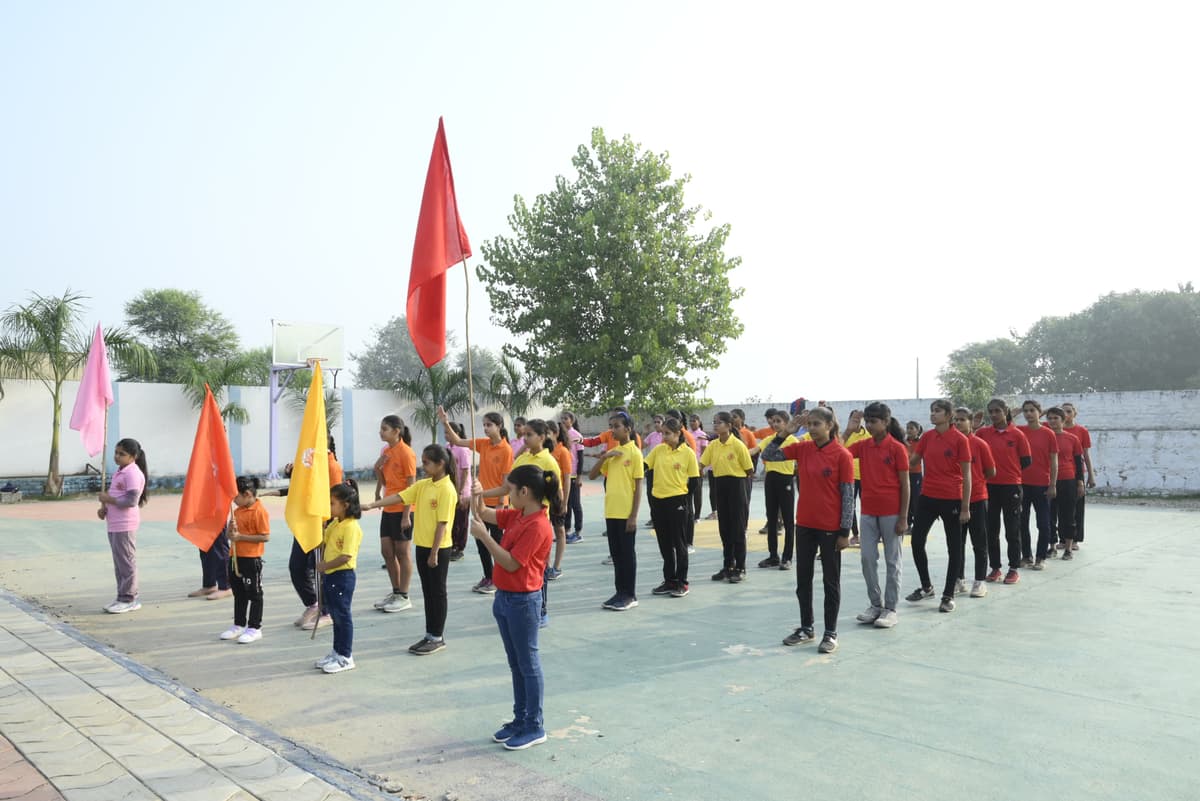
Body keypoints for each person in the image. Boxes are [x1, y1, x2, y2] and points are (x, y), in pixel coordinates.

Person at [469, 465, 556, 751]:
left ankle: (534, 725)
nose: (507, 494)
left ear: (524, 491)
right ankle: (520, 719)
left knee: (528, 664)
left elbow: (510, 562)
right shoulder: (519, 514)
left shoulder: (539, 525)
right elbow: (484, 514)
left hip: (523, 600)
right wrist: (477, 495)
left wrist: (485, 537)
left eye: (510, 489)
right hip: (505, 597)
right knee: (516, 664)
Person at [365, 445, 459, 655]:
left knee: (438, 592)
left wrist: (434, 553)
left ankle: (437, 636)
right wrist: (372, 505)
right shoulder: (424, 485)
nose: (422, 466)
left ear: (440, 464)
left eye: (426, 462)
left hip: (438, 549)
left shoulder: (447, 489)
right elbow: (400, 497)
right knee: (428, 592)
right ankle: (429, 633)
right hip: (422, 546)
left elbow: (443, 524)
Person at [779, 407, 853, 654]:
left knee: (831, 582)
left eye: (816, 424)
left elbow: (848, 496)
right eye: (808, 424)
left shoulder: (841, 455)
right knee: (803, 580)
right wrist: (785, 433)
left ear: (830, 425)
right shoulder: (802, 448)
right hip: (805, 525)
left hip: (831, 528)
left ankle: (830, 633)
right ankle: (806, 627)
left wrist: (845, 532)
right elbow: (769, 456)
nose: (811, 429)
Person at [269, 434, 342, 631]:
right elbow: (301, 488)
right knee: (297, 567)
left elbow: (335, 498)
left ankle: (327, 612)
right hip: (305, 523)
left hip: (322, 525)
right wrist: (292, 474)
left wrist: (328, 526)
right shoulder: (307, 462)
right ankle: (313, 604)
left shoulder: (331, 466)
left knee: (320, 569)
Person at [847, 402, 910, 629]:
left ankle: (890, 608)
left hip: (892, 513)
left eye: (873, 422)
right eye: (867, 422)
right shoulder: (863, 446)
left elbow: (905, 485)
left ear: (885, 422)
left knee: (892, 561)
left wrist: (903, 518)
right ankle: (875, 604)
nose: (869, 426)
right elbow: (837, 452)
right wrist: (849, 429)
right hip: (868, 512)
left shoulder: (897, 448)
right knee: (867, 559)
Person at [906, 400, 971, 614]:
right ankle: (927, 587)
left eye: (938, 411)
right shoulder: (927, 437)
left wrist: (965, 507)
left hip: (952, 498)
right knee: (916, 541)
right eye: (932, 411)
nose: (933, 415)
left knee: (954, 548)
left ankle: (948, 595)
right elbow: (913, 461)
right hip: (927, 497)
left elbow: (967, 476)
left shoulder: (960, 440)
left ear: (949, 415)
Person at [440, 408, 514, 593]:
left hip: (497, 504)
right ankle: (489, 576)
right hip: (480, 503)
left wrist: (500, 504)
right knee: (481, 542)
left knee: (497, 544)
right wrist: (445, 421)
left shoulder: (506, 450)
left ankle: (499, 579)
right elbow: (457, 440)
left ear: (499, 426)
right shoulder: (483, 444)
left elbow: (506, 482)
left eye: (489, 425)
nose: (486, 428)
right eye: (484, 425)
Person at [587, 411, 644, 610]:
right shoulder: (613, 453)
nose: (613, 430)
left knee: (627, 555)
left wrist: (634, 515)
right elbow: (593, 475)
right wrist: (605, 457)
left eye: (617, 426)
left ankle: (630, 594)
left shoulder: (635, 453)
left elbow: (638, 487)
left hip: (626, 513)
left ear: (628, 429)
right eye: (611, 426)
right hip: (611, 512)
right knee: (617, 555)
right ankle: (620, 592)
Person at [973, 399, 1031, 584]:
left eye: (997, 410)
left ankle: (1013, 568)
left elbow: (1026, 461)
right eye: (991, 411)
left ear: (1006, 411)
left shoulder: (1017, 435)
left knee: (1012, 529)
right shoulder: (982, 433)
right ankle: (995, 568)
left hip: (1011, 487)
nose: (994, 414)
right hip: (989, 487)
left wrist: (1009, 472)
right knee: (991, 530)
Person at [644, 417, 699, 597]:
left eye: (667, 433)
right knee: (664, 543)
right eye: (662, 433)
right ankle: (669, 580)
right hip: (658, 502)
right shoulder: (659, 450)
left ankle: (682, 582)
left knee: (679, 543)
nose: (664, 437)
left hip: (677, 502)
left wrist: (682, 498)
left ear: (678, 434)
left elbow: (695, 480)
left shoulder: (688, 453)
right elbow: (644, 465)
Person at [314, 480, 363, 674]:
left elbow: (345, 556)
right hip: (331, 576)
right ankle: (337, 651)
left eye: (332, 503)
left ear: (346, 505)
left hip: (343, 576)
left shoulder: (351, 527)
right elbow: (323, 542)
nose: (329, 506)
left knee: (343, 615)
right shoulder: (335, 523)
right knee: (335, 615)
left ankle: (346, 655)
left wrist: (325, 566)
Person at [700, 412, 753, 583]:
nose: (716, 425)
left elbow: (749, 470)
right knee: (725, 528)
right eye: (714, 422)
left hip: (737, 486)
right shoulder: (713, 445)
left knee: (738, 528)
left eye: (720, 422)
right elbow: (701, 464)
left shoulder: (738, 445)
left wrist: (738, 482)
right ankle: (727, 566)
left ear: (729, 426)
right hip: (720, 485)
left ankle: (740, 567)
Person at [98, 438, 148, 614]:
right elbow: (117, 496)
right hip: (114, 523)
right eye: (116, 453)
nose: (117, 457)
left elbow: (131, 500)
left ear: (133, 456)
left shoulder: (132, 473)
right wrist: (105, 509)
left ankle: (130, 598)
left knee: (126, 562)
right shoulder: (121, 471)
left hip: (125, 524)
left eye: (122, 454)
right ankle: (122, 596)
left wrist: (108, 499)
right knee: (119, 562)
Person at [220, 476, 271, 644]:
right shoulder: (237, 511)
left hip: (251, 559)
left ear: (247, 494)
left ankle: (255, 627)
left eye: (236, 497)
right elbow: (229, 535)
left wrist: (240, 536)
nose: (233, 501)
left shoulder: (259, 511)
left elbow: (265, 536)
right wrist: (230, 532)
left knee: (254, 593)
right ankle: (239, 624)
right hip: (235, 557)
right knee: (239, 592)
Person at [374, 415, 416, 613]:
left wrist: (407, 514)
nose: (381, 432)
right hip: (388, 508)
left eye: (384, 429)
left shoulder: (406, 453)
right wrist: (377, 466)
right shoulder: (387, 451)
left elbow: (411, 486)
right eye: (381, 428)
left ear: (396, 431)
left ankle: (404, 595)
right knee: (387, 551)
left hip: (403, 509)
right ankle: (396, 590)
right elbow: (384, 481)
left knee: (402, 552)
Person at [750, 410, 799, 570]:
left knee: (788, 519)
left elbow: (802, 460)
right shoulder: (769, 440)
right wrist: (738, 451)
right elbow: (754, 451)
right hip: (770, 480)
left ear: (786, 423)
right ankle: (773, 556)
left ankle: (787, 557)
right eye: (773, 421)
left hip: (786, 480)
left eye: (778, 421)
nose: (775, 424)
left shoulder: (793, 441)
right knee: (771, 519)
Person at [953, 408, 995, 594]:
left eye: (962, 420)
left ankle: (979, 581)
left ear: (971, 422)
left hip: (977, 499)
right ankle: (958, 579)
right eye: (956, 420)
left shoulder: (980, 444)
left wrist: (977, 482)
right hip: (954, 498)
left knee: (979, 542)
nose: (959, 423)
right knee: (956, 543)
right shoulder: (950, 443)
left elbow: (991, 471)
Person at [1017, 400, 1058, 567]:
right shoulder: (1019, 432)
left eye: (1032, 410)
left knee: (1043, 523)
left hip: (1042, 484)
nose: (1028, 414)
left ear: (1039, 412)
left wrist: (1053, 484)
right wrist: (1015, 411)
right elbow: (1005, 422)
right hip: (1021, 485)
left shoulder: (1048, 434)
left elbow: (1054, 461)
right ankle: (1026, 556)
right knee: (1022, 522)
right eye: (1025, 411)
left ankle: (1041, 557)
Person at [1045, 407, 1086, 561]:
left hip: (1068, 480)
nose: (1053, 421)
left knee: (1068, 515)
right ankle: (1052, 546)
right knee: (1049, 515)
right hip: (1048, 481)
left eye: (1056, 418)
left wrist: (1080, 483)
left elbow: (1078, 462)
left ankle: (1068, 548)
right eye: (1050, 418)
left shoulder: (1072, 439)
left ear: (1063, 420)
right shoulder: (1044, 437)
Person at [1061, 402, 1095, 550]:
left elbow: (1086, 455)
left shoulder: (1081, 431)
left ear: (1075, 413)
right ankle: (1063, 539)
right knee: (1060, 509)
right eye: (1063, 412)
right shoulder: (1054, 429)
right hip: (1060, 474)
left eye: (1069, 411)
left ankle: (1075, 539)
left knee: (1077, 508)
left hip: (1077, 474)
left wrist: (1091, 475)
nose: (1066, 415)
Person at [545, 420, 573, 582]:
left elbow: (567, 478)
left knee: (559, 530)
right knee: (545, 532)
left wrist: (564, 502)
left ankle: (556, 566)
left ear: (555, 433)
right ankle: (545, 565)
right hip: (544, 497)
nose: (546, 436)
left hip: (557, 497)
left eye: (548, 433)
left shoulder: (562, 452)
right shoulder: (543, 451)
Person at [840, 409, 872, 547]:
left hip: (866, 476)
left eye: (859, 419)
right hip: (850, 477)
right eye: (854, 419)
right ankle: (855, 534)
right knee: (849, 506)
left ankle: (869, 534)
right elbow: (838, 449)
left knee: (868, 506)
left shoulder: (869, 435)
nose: (857, 421)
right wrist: (847, 432)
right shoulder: (845, 435)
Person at [558, 410, 585, 542]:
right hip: (564, 475)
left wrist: (579, 476)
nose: (563, 421)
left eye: (566, 419)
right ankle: (566, 531)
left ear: (572, 420)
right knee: (565, 503)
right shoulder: (561, 435)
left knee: (575, 504)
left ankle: (578, 532)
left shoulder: (576, 435)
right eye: (562, 419)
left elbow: (580, 457)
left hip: (573, 475)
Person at [904, 421, 924, 531]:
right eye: (907, 428)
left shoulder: (921, 442)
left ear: (917, 430)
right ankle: (907, 523)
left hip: (916, 475)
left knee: (916, 500)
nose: (909, 430)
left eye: (911, 428)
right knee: (906, 499)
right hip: (905, 474)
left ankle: (917, 524)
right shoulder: (904, 442)